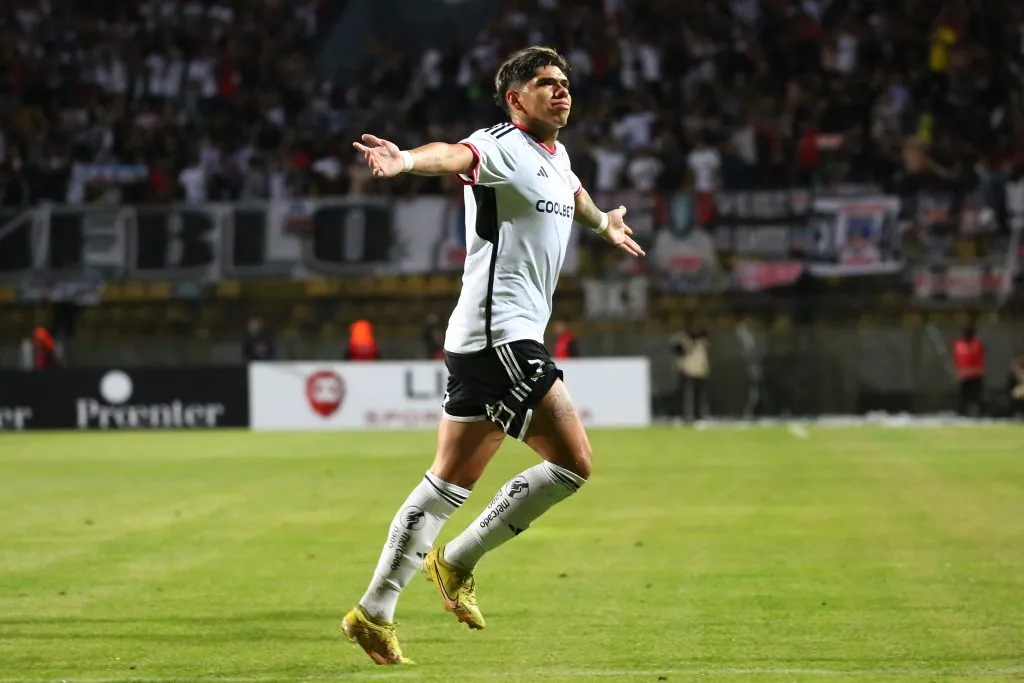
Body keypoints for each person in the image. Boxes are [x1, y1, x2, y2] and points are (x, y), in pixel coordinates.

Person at [341, 46, 644, 665]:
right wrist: (404, 162)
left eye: (564, 83)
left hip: (479, 340)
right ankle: (454, 562)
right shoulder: (501, 144)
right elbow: (455, 155)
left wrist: (603, 225)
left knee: (447, 482)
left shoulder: (556, 160)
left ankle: (373, 612)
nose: (562, 92)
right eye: (546, 84)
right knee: (572, 463)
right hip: (501, 336)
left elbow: (577, 197)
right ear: (515, 99)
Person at [953, 325, 985, 416]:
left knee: (976, 395)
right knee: (964, 395)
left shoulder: (977, 344)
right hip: (964, 375)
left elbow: (979, 358)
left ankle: (979, 412)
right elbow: (958, 359)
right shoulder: (959, 344)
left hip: (975, 374)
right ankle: (962, 412)